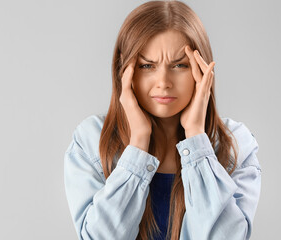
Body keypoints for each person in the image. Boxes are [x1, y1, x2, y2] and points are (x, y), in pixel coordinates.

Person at [64, 1, 262, 240]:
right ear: (124, 71)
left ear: (202, 71)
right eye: (147, 66)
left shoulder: (235, 143)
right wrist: (138, 143)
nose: (163, 82)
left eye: (180, 65)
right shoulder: (91, 140)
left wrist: (197, 139)